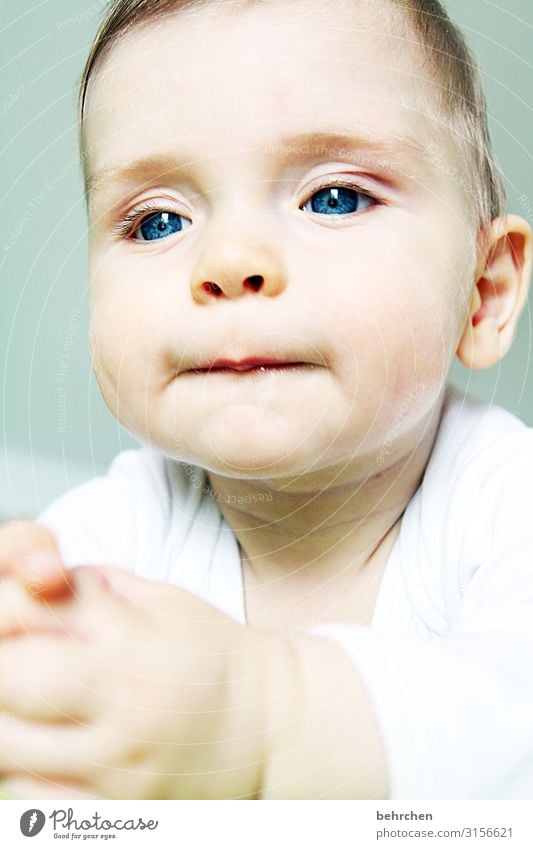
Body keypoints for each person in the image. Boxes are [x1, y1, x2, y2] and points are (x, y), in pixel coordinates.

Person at [0, 0, 531, 800]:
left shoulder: (505, 506)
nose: (229, 258)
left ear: (482, 296)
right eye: (157, 221)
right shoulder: (113, 535)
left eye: (334, 198)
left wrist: (265, 723)